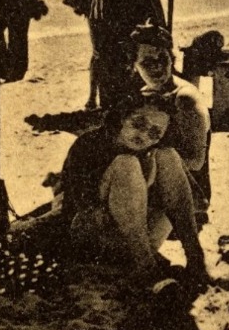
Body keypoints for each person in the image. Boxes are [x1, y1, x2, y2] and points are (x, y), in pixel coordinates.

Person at [59, 89, 214, 305]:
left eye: (154, 133)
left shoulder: (153, 151)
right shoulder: (89, 144)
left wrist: (156, 180)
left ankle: (195, 259)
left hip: (135, 240)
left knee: (168, 156)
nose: (143, 136)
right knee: (126, 164)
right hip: (91, 240)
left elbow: (198, 202)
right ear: (122, 117)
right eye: (138, 123)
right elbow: (85, 211)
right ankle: (147, 271)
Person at [126, 23, 213, 220]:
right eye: (148, 62)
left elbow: (196, 162)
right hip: (155, 187)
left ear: (171, 58)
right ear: (134, 65)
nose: (157, 66)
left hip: (188, 196)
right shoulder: (145, 94)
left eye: (162, 59)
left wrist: (142, 160)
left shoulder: (185, 98)